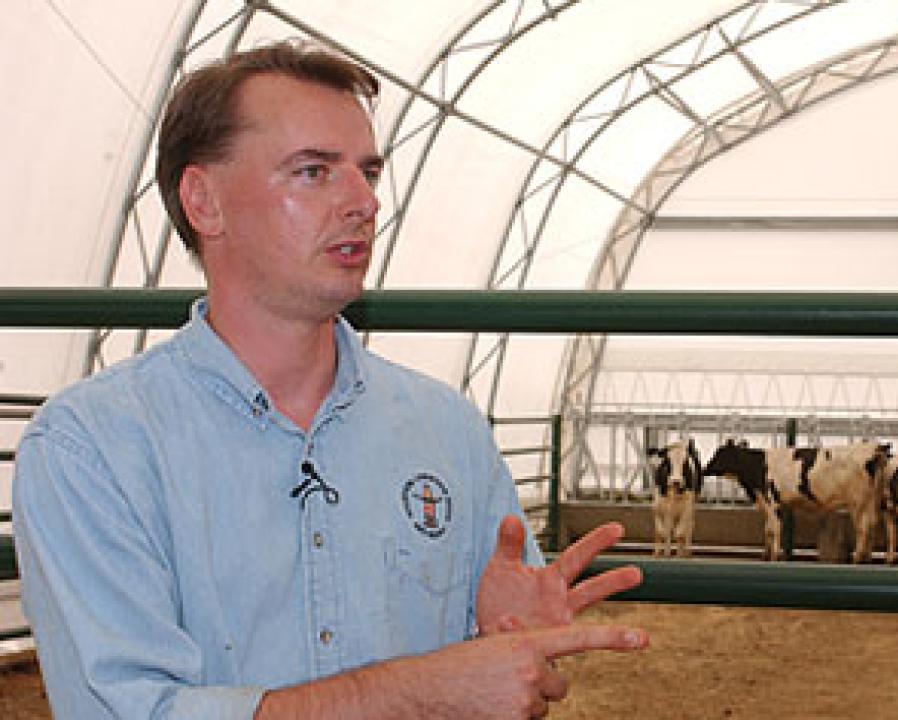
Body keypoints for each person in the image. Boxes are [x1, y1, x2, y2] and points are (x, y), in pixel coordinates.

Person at [13, 39, 647, 718]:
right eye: (314, 172)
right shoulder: (93, 449)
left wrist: (499, 644)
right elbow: (130, 710)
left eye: (368, 172)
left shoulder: (448, 430)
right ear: (204, 201)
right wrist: (426, 692)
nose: (364, 202)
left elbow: (490, 673)